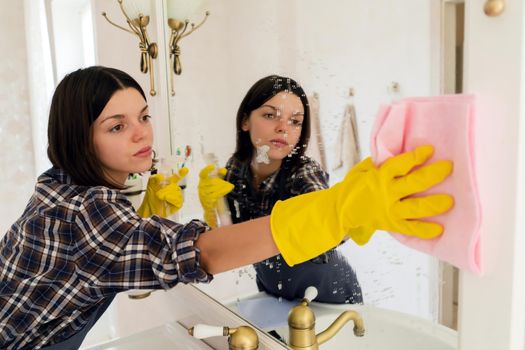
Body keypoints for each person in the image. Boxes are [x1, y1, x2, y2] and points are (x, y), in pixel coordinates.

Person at [0, 66, 453, 349]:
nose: (142, 134)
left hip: (324, 290)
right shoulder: (93, 210)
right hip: (273, 287)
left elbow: (210, 246)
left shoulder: (59, 187)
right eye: (118, 126)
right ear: (246, 120)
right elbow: (210, 248)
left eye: (143, 116)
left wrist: (332, 210)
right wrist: (184, 215)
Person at [200, 75, 364, 303]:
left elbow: (327, 227)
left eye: (295, 121)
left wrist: (346, 215)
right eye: (270, 115)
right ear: (245, 121)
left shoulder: (304, 172)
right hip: (275, 290)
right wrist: (214, 209)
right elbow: (233, 237)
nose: (283, 129)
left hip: (329, 296)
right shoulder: (236, 168)